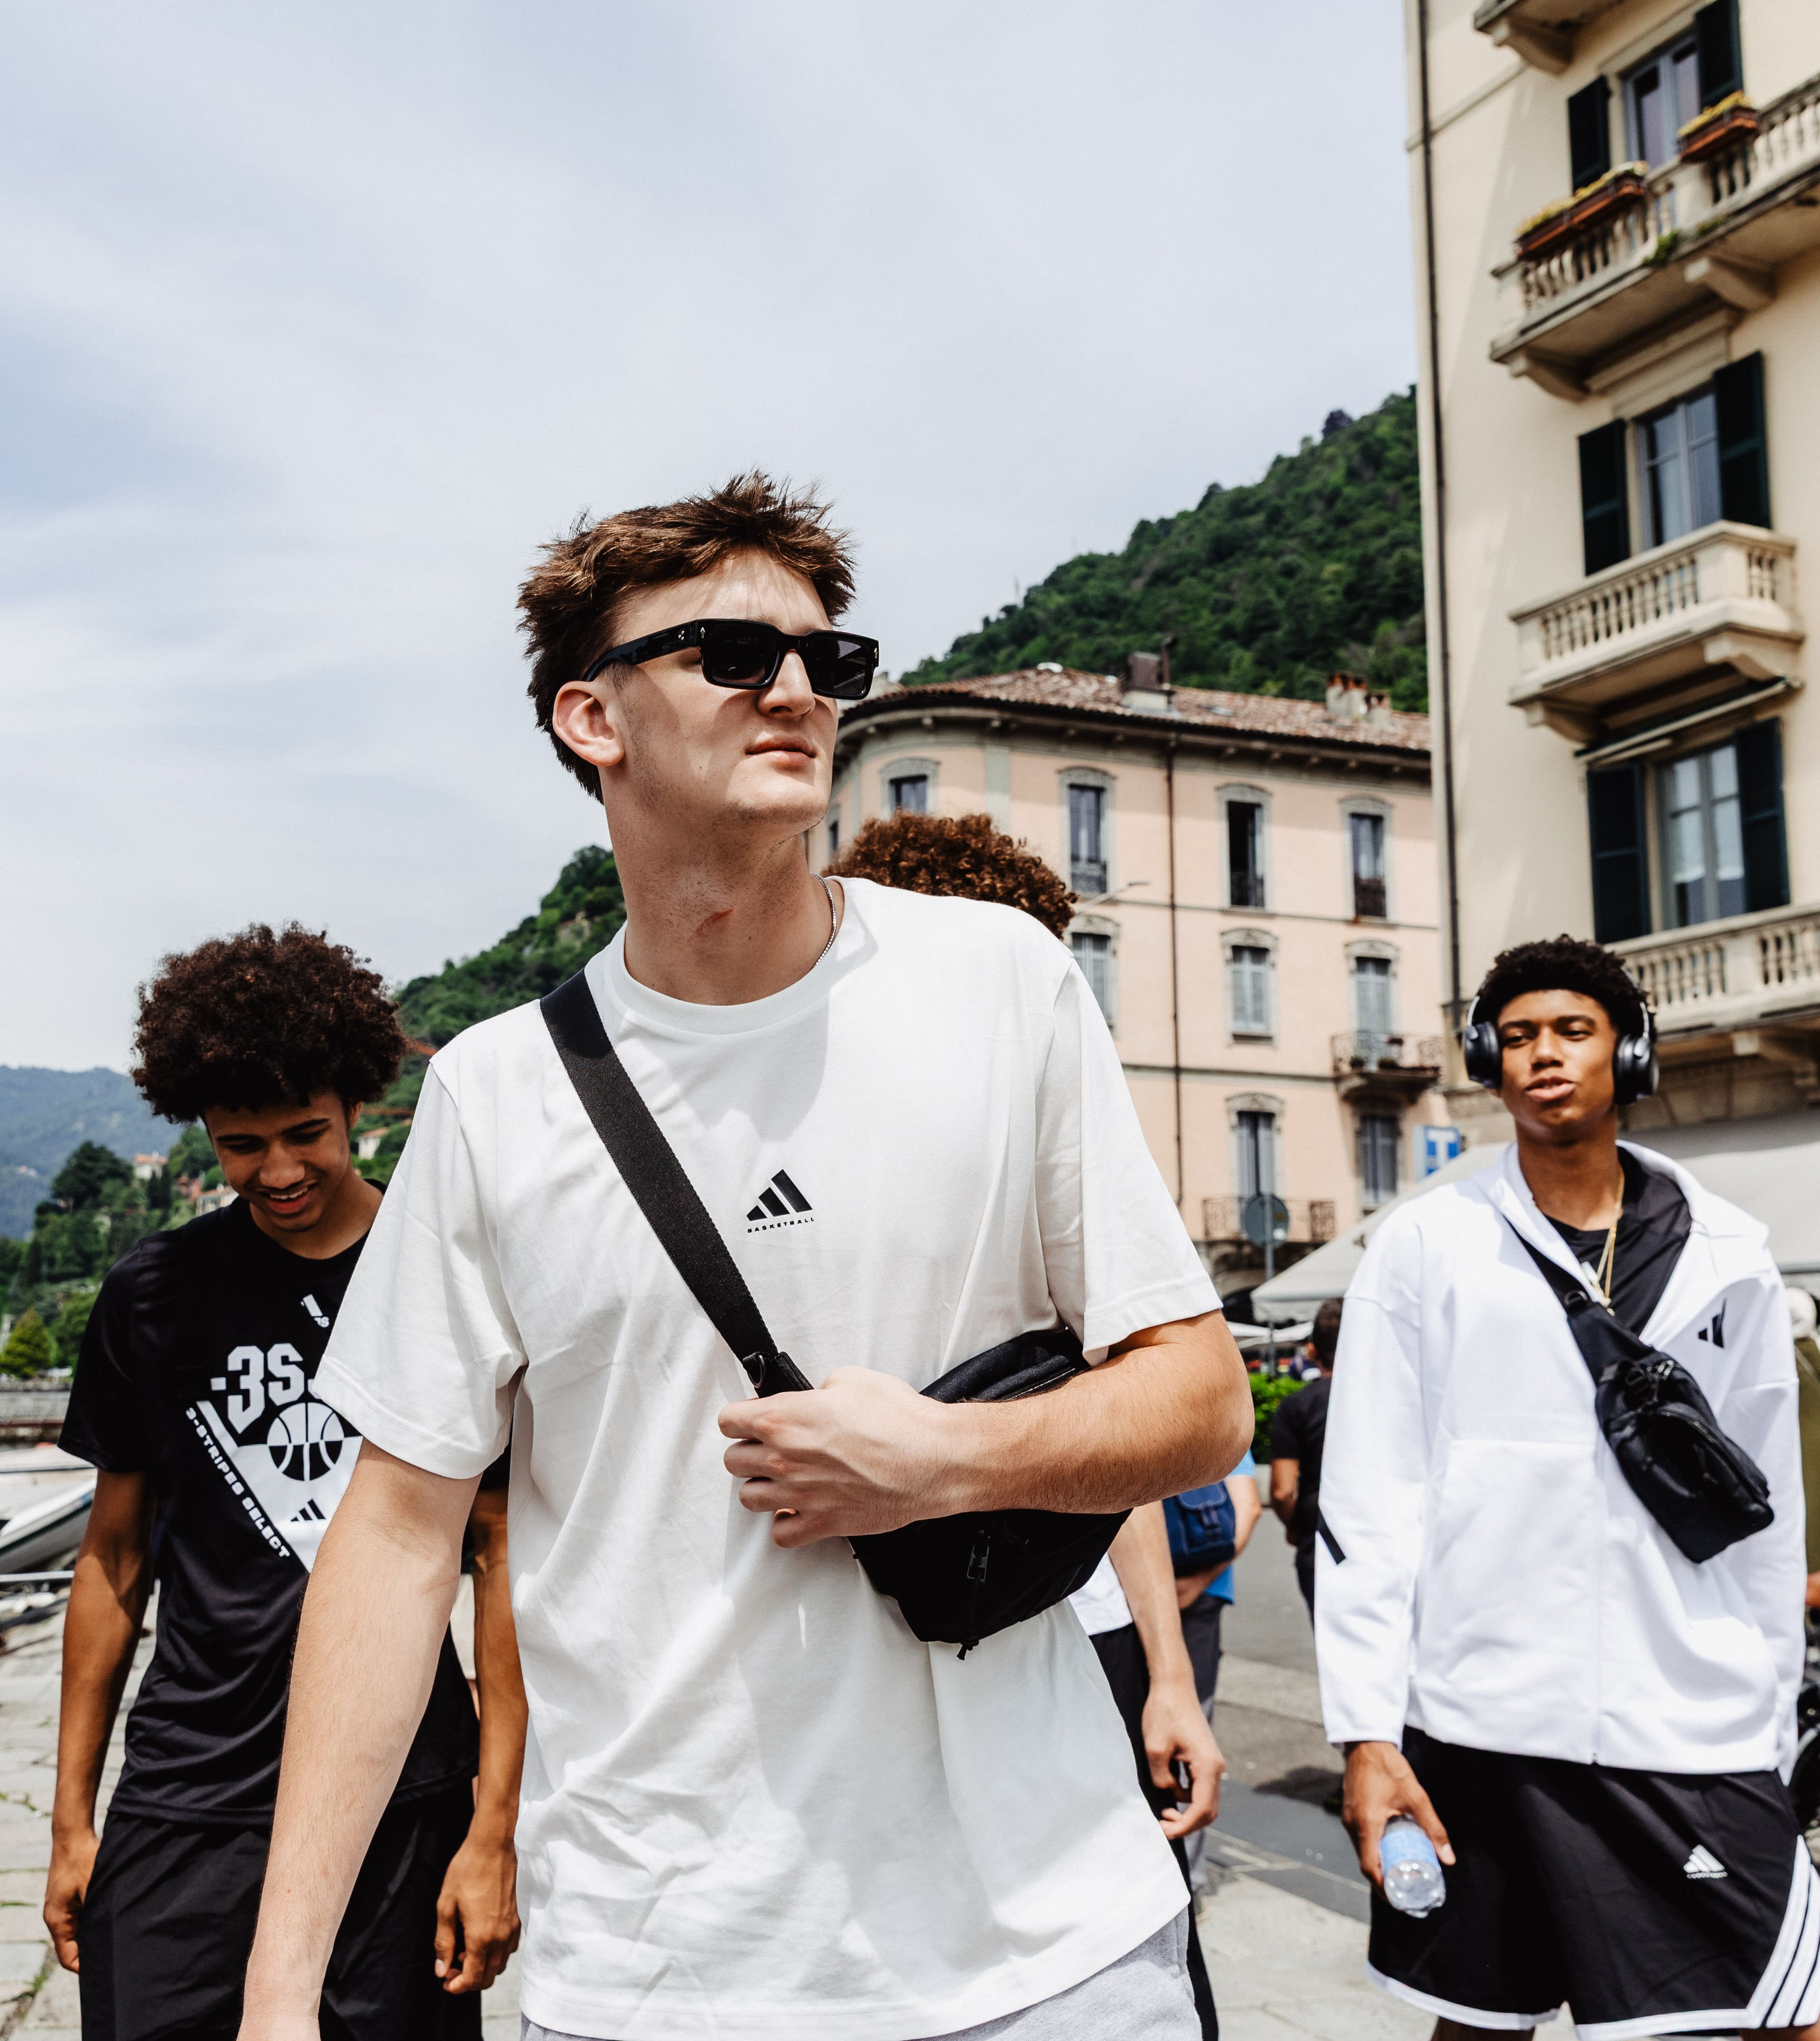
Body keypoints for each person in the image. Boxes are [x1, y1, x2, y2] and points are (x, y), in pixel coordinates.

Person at [237, 475, 1254, 2041]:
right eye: (729, 652)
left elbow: (1199, 1397)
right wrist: (280, 1991)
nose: (794, 686)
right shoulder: (498, 1093)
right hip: (657, 1975)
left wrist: (952, 1456)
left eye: (825, 659)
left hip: (1046, 1948)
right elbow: (392, 1536)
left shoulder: (1001, 982)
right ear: (594, 717)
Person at [1319, 934, 1814, 2039]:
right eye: (1521, 1034)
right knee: (1476, 2021)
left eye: (1574, 1030)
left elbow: (1764, 1510)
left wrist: (1768, 1712)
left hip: (1690, 1719)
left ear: (1628, 1053)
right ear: (1490, 1061)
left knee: (1781, 2012)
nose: (1544, 1054)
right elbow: (1368, 1498)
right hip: (1481, 1712)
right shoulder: (1423, 1246)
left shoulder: (1732, 1251)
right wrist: (1365, 1729)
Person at [49, 925, 525, 2040]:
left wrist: (493, 1824)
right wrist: (74, 1819)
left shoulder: (444, 1281)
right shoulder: (153, 1294)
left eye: (305, 1132)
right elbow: (112, 1561)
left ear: (355, 1104)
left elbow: (500, 1554)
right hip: (189, 1793)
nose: (278, 1170)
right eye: (241, 1143)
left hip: (404, 1795)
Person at [1268, 1297, 1340, 1620]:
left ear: (1311, 1351)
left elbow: (1283, 1491)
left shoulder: (1296, 1408)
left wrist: (1294, 1527)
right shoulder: (1393, 1399)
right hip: (1387, 1543)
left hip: (1320, 1544)